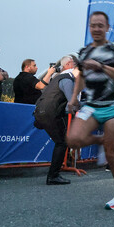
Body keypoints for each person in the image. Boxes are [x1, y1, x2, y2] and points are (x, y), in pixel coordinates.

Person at [66, 11, 114, 210]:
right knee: (73, 139)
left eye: (100, 25)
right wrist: (74, 97)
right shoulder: (84, 52)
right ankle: (103, 140)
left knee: (111, 155)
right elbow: (81, 76)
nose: (96, 29)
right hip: (91, 106)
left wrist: (101, 67)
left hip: (113, 106)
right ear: (89, 27)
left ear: (107, 28)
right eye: (93, 25)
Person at [33, 55, 77, 185]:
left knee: (61, 141)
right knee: (62, 142)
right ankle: (53, 176)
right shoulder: (67, 79)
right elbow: (72, 101)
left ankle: (54, 174)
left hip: (42, 111)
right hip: (49, 113)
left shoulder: (57, 77)